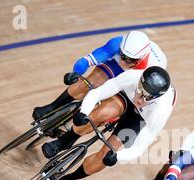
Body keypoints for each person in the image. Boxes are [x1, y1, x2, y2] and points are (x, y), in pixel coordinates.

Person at [41, 66, 176, 180]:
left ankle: (68, 179)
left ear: (156, 98)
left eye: (147, 98)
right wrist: (84, 112)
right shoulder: (132, 77)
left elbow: (139, 148)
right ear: (139, 82)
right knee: (102, 113)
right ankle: (66, 140)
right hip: (125, 97)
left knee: (107, 154)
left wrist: (117, 156)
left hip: (140, 117)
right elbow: (97, 94)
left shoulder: (160, 112)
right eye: (140, 92)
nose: (140, 100)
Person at [32, 30, 166, 120]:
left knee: (108, 109)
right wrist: (76, 74)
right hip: (117, 66)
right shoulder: (116, 44)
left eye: (130, 59)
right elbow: (86, 61)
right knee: (92, 80)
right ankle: (53, 107)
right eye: (123, 55)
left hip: (137, 77)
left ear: (140, 59)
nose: (125, 61)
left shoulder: (151, 69)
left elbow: (140, 97)